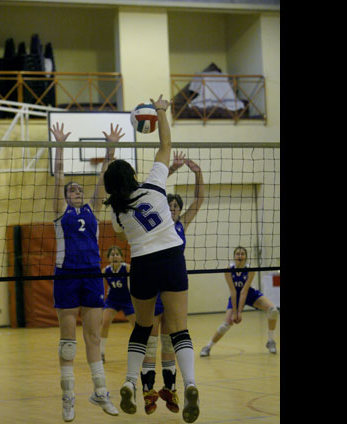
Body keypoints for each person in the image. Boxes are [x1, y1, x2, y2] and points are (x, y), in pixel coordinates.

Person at [103, 94, 200, 423]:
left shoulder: (117, 212)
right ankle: (190, 384)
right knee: (179, 329)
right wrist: (161, 110)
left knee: (142, 329)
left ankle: (130, 382)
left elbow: (120, 237)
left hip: (142, 265)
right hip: (171, 258)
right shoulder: (155, 185)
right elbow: (166, 143)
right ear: (133, 176)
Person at [51, 122, 124, 421]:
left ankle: (101, 392)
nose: (77, 191)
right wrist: (59, 146)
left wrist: (110, 149)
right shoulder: (60, 211)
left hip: (93, 276)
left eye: (79, 189)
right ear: (66, 196)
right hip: (67, 276)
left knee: (93, 337)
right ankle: (68, 398)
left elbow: (103, 179)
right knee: (68, 343)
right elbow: (58, 176)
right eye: (72, 190)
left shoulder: (93, 209)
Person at [140, 151, 205, 415]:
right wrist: (173, 169)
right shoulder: (157, 226)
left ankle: (170, 388)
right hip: (155, 285)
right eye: (170, 206)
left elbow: (199, 200)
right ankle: (148, 391)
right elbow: (153, 191)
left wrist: (197, 173)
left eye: (177, 206)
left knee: (170, 340)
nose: (174, 209)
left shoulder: (182, 224)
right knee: (151, 339)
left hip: (174, 285)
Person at [199, 246, 279, 357]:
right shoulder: (228, 270)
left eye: (242, 254)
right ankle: (207, 347)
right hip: (235, 296)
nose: (240, 256)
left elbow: (244, 292)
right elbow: (233, 291)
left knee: (273, 310)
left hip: (250, 294)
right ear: (234, 256)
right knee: (226, 324)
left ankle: (271, 341)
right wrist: (235, 312)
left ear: (246, 257)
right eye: (238, 254)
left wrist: (239, 312)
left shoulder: (250, 270)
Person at [100, 245, 136, 363]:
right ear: (108, 258)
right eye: (112, 255)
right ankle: (101, 353)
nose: (115, 256)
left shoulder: (127, 268)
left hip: (127, 301)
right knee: (105, 323)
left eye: (117, 254)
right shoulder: (105, 271)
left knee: (137, 326)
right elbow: (101, 287)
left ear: (121, 257)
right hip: (112, 301)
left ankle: (141, 350)